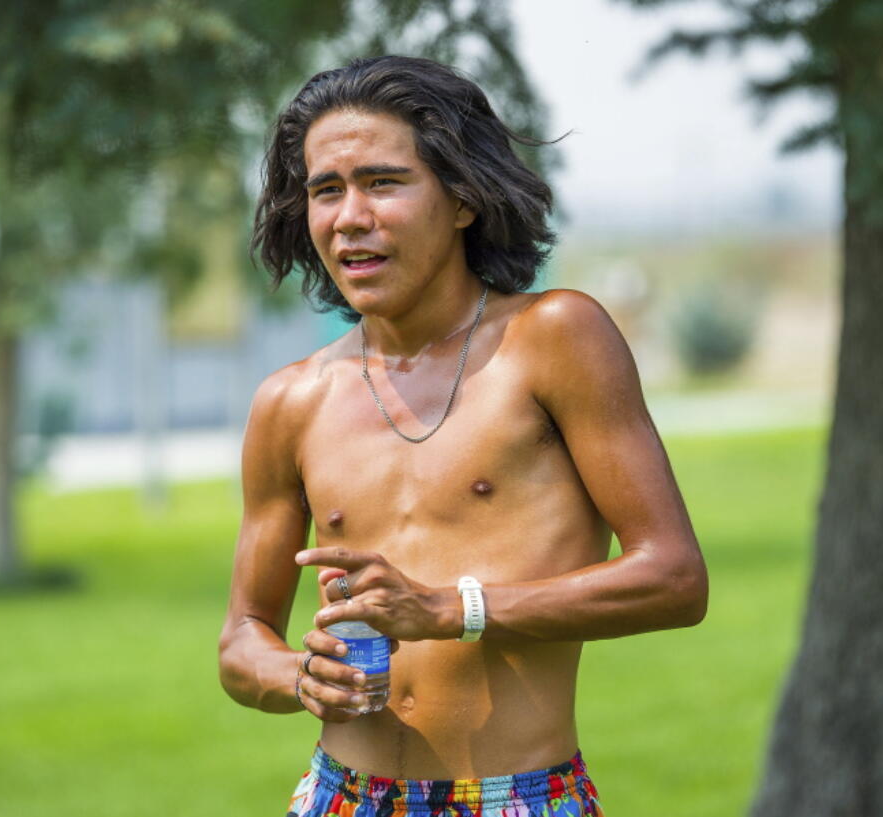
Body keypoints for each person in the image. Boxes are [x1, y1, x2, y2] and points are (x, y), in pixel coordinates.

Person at [218, 55, 708, 816]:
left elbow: (673, 578)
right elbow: (242, 637)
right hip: (337, 797)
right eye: (325, 189)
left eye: (382, 182)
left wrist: (454, 609)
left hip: (518, 796)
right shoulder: (291, 400)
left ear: (462, 200)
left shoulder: (555, 340)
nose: (350, 216)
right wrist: (296, 675)